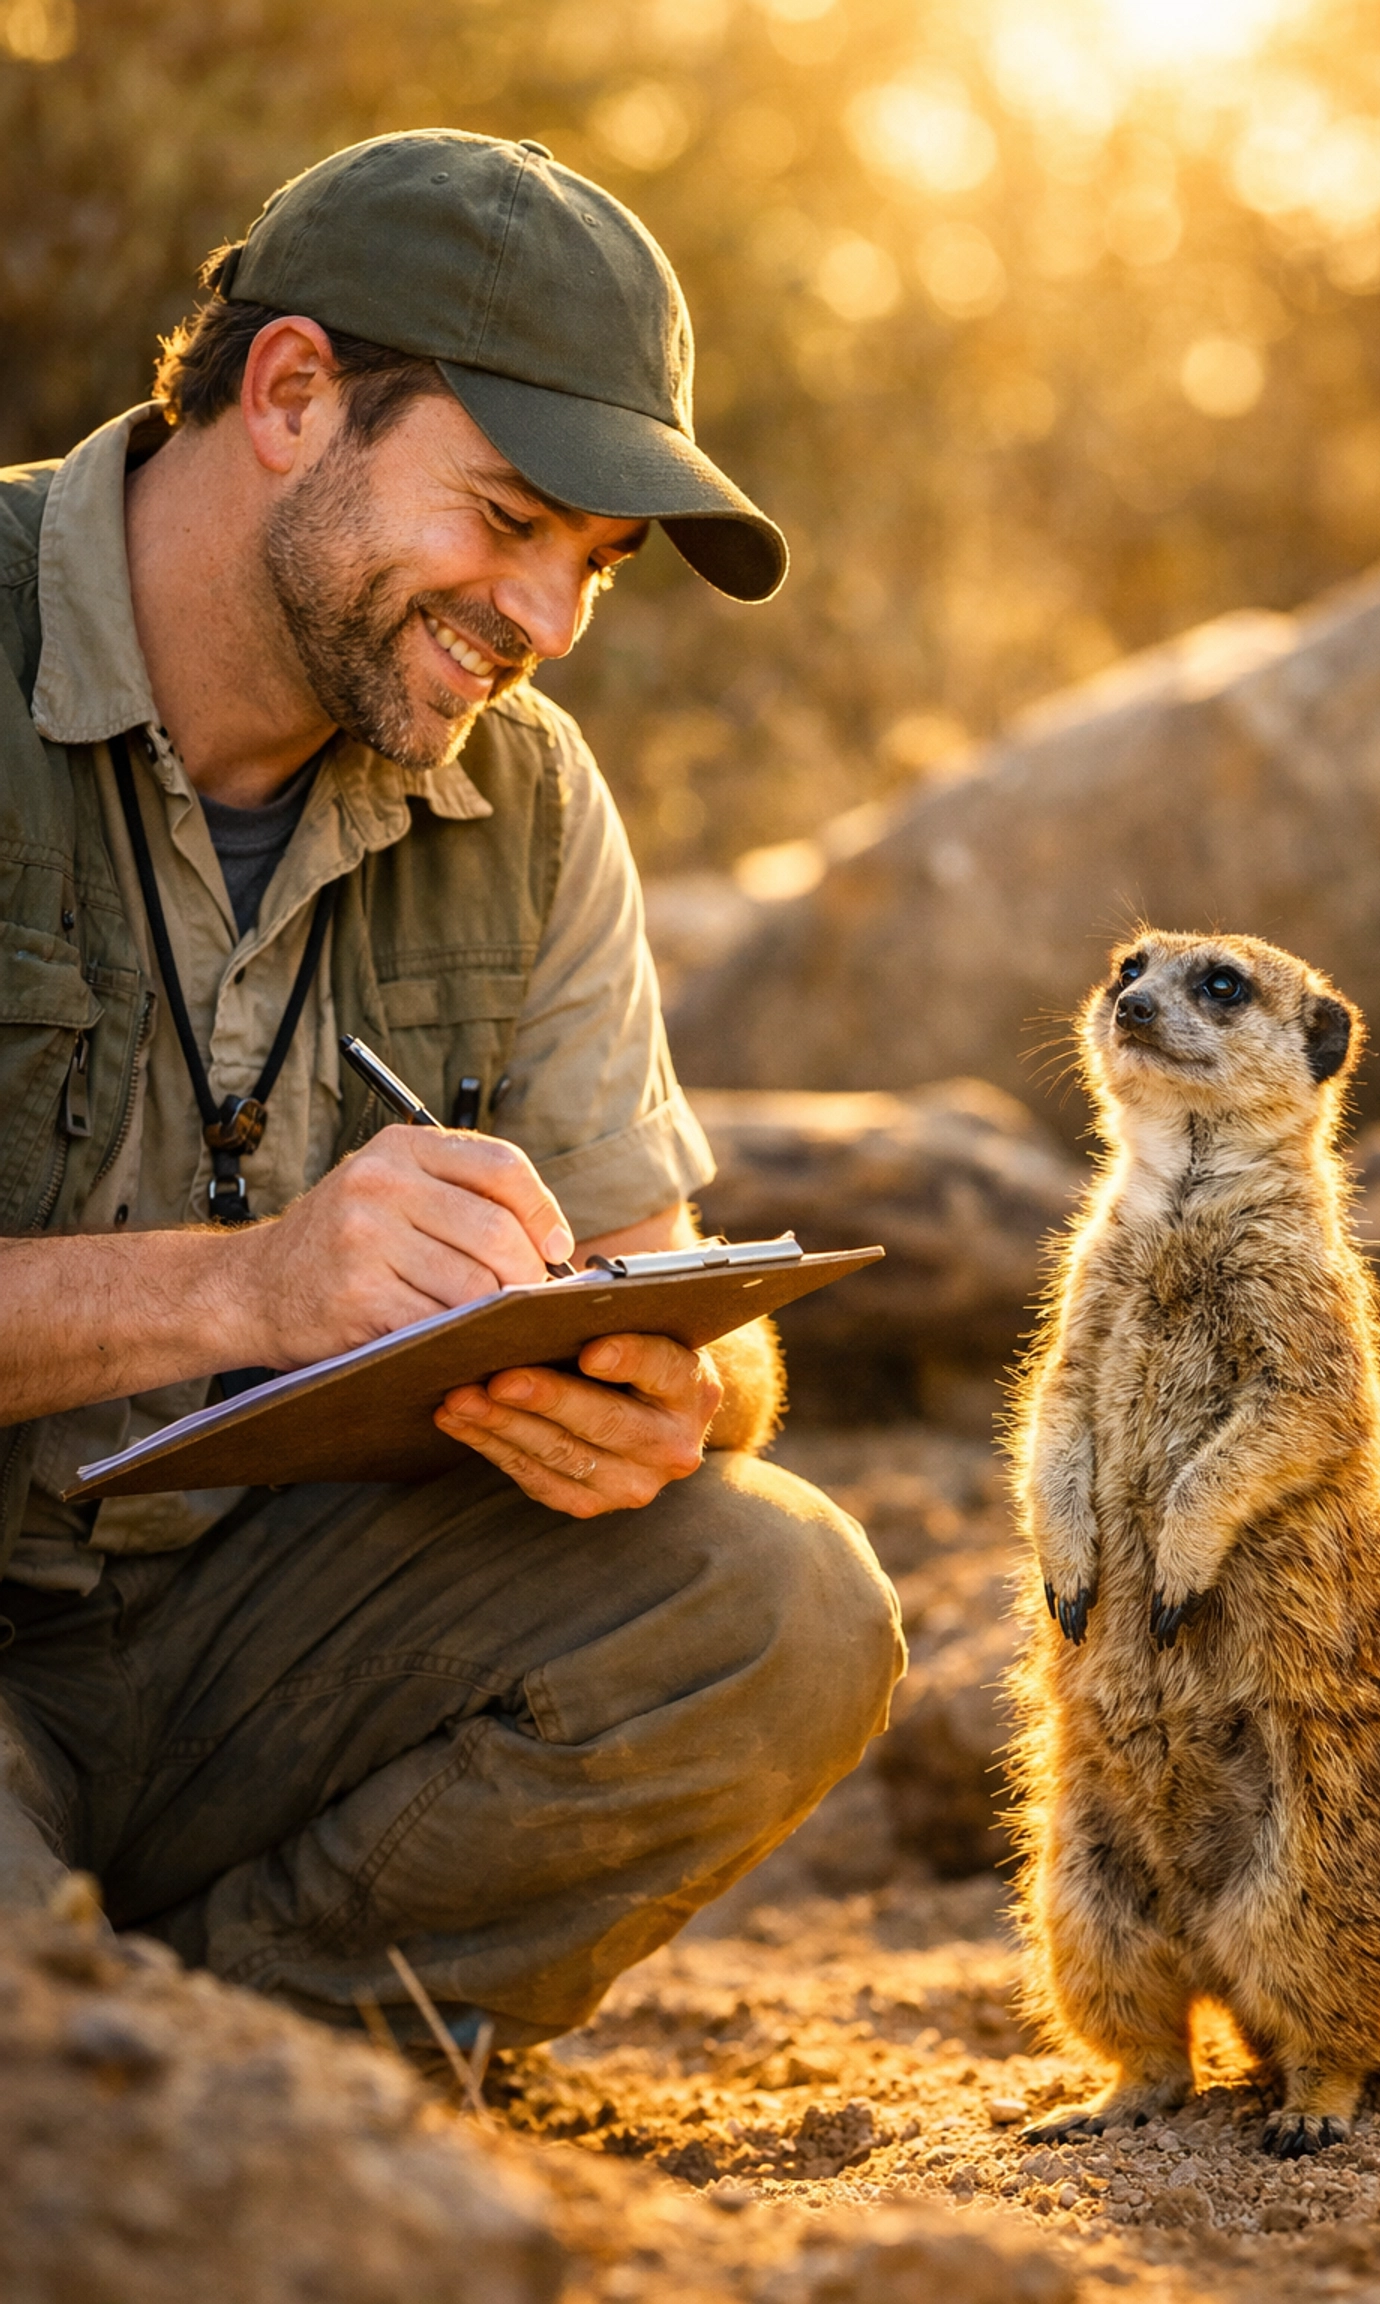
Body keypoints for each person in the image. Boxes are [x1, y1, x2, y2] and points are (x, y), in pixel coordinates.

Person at [0, 129, 904, 2048]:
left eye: (592, 561)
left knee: (784, 1602)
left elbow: (677, 1288)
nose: (549, 621)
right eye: (506, 517)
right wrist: (243, 1292)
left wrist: (674, 1395)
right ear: (294, 391)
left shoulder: (535, 793)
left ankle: (248, 2087)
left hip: (247, 1652)